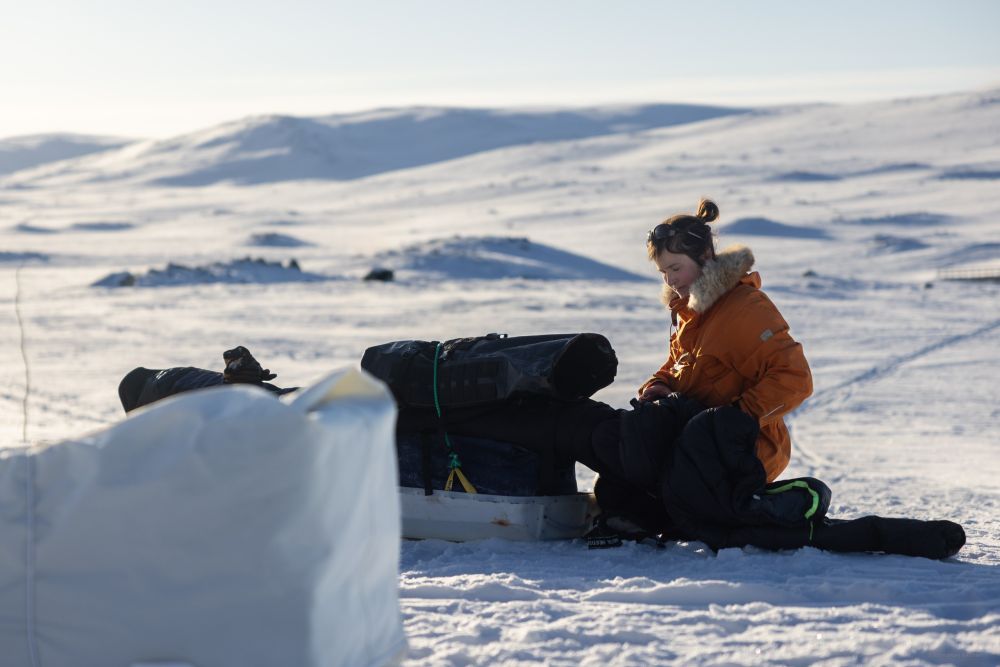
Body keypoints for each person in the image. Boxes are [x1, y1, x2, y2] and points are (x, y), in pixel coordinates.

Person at [637, 198, 812, 482]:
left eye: (675, 268)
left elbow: (795, 378)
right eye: (663, 272)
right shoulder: (690, 312)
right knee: (624, 445)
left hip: (748, 450)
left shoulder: (744, 308)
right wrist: (659, 385)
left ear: (705, 256)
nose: (670, 280)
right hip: (696, 440)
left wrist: (736, 417)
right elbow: (679, 364)